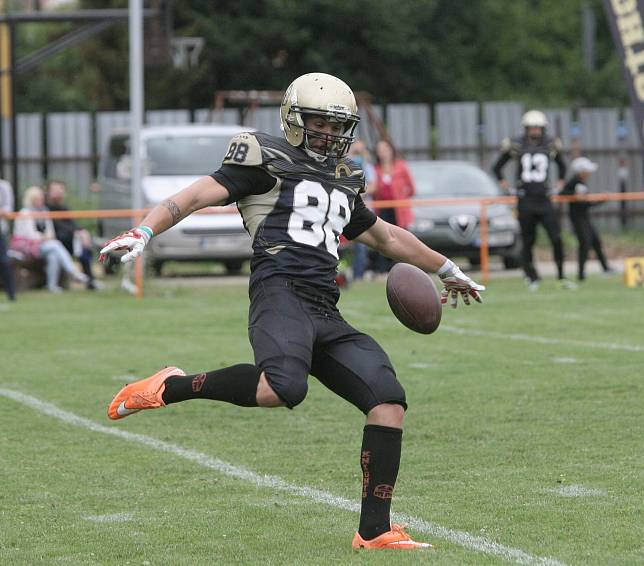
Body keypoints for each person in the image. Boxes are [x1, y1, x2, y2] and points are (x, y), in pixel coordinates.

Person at [99, 73, 484, 551]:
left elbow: (386, 237)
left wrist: (447, 267)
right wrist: (144, 231)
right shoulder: (265, 159)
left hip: (326, 306)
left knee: (388, 399)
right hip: (278, 291)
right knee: (282, 388)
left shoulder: (344, 178)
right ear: (293, 119)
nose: (328, 132)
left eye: (337, 124)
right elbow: (194, 196)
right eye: (319, 121)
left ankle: (375, 530)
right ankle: (170, 386)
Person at [492, 110, 574, 291]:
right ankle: (531, 276)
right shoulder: (516, 144)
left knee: (556, 238)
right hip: (525, 199)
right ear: (526, 128)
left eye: (538, 127)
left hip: (544, 199)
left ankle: (561, 276)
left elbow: (562, 166)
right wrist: (506, 187)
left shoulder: (550, 144)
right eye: (532, 127)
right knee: (528, 240)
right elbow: (497, 167)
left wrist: (559, 185)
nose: (535, 130)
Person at [12, 186, 90, 293]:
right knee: (55, 245)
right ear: (32, 199)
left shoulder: (44, 211)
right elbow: (29, 235)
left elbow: (50, 232)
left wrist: (46, 238)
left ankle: (52, 285)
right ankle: (73, 271)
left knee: (53, 254)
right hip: (27, 248)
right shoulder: (25, 212)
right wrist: (44, 238)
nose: (41, 201)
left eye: (41, 198)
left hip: (43, 246)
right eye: (38, 199)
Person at [560, 157, 612, 281]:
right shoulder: (574, 181)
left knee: (595, 241)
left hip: (584, 216)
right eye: (587, 170)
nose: (589, 173)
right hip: (577, 218)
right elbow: (562, 193)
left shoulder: (581, 182)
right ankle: (581, 274)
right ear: (581, 171)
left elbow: (585, 203)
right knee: (585, 243)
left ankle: (605, 268)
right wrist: (574, 196)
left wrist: (600, 200)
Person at [46, 180, 101, 290]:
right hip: (54, 241)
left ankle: (90, 281)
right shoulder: (46, 207)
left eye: (60, 189)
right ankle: (76, 274)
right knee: (79, 244)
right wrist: (77, 232)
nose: (58, 192)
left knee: (84, 248)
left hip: (68, 240)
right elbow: (59, 226)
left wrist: (82, 232)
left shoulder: (63, 207)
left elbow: (72, 224)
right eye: (55, 190)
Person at [372, 139, 415, 273]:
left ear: (391, 150)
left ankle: (403, 268)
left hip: (399, 210)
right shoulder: (375, 169)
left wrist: (402, 196)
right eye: (380, 150)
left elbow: (411, 188)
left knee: (401, 239)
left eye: (385, 149)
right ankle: (382, 270)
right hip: (382, 209)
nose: (383, 153)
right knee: (382, 238)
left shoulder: (401, 166)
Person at [347, 139, 376, 280]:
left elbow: (373, 186)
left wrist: (358, 194)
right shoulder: (346, 165)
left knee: (362, 245)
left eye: (360, 151)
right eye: (355, 151)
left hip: (363, 208)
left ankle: (359, 274)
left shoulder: (368, 167)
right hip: (348, 207)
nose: (357, 154)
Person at [0, 178, 16, 301]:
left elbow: (7, 211)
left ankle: (11, 294)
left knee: (4, 261)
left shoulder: (4, 186)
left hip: (1, 230)